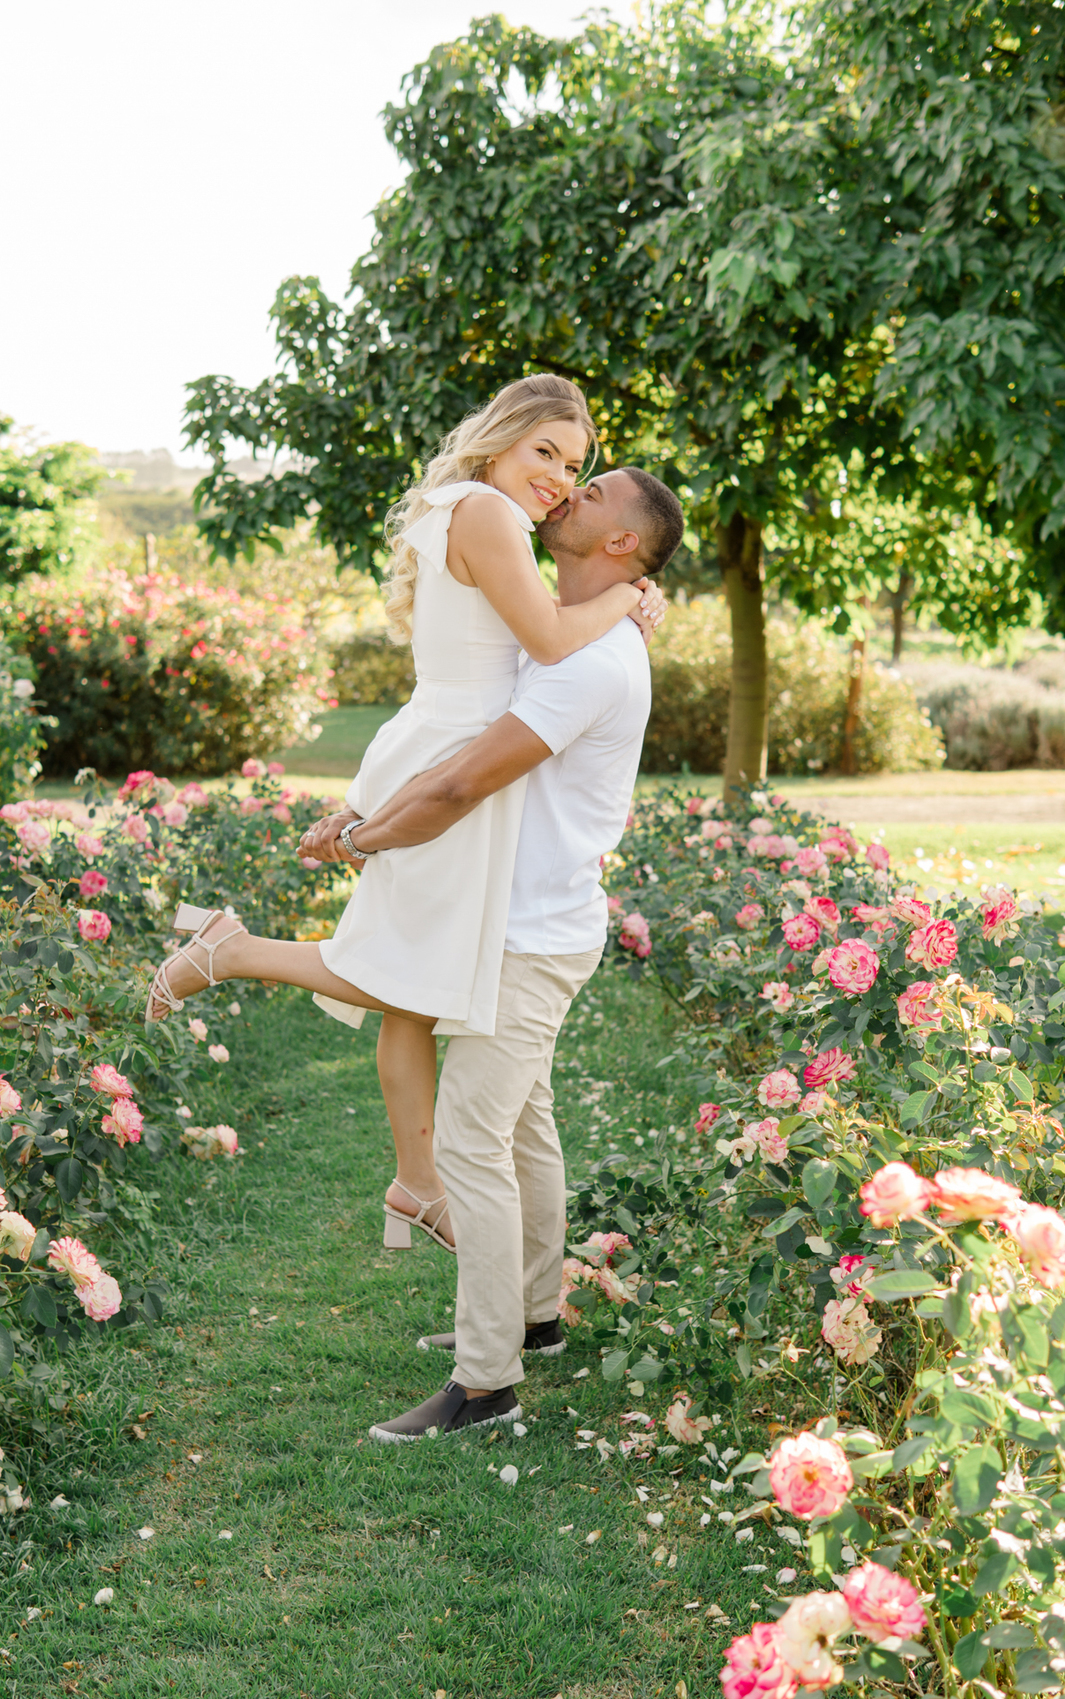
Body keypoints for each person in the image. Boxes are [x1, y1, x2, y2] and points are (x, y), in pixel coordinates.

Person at [145, 376, 666, 1255]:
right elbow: (545, 639)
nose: (560, 480)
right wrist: (627, 598)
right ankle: (230, 951)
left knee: (414, 1003)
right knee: (404, 974)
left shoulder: (459, 505)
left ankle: (415, 1184)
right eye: (545, 452)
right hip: (456, 754)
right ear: (500, 438)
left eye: (575, 465)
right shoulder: (490, 514)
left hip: (439, 735)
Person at [301, 464, 685, 1440]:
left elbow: (466, 779)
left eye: (593, 491)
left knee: (472, 1144)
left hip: (530, 938)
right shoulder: (566, 636)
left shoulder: (589, 663)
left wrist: (365, 839)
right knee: (522, 1129)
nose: (569, 493)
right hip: (528, 926)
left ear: (623, 546)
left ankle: (485, 1383)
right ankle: (535, 1318)